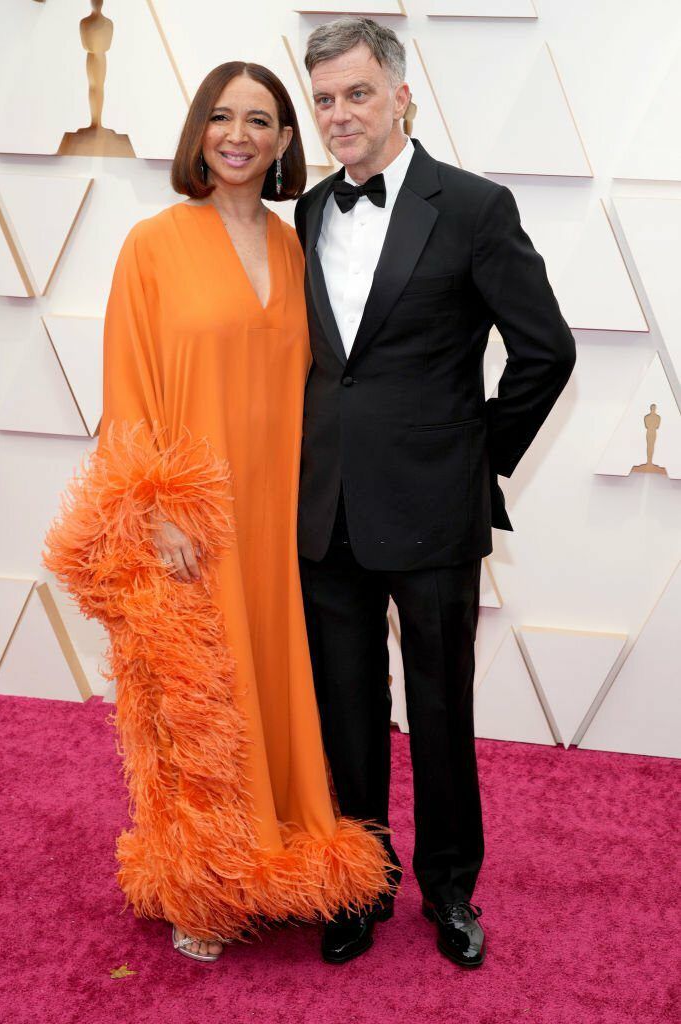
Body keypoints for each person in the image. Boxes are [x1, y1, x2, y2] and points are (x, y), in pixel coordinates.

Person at [42, 60, 395, 964]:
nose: (239, 135)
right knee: (199, 711)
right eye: (223, 117)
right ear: (200, 132)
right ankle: (205, 881)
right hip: (191, 523)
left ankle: (279, 858)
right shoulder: (153, 244)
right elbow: (127, 386)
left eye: (262, 120)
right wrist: (152, 510)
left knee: (279, 691)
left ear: (285, 143)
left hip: (284, 518)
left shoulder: (294, 246)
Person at [294, 18, 577, 967]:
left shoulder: (472, 206)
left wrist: (473, 456)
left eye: (357, 93)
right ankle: (356, 882)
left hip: (432, 507)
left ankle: (449, 889)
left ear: (401, 94)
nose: (339, 114)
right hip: (324, 504)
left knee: (442, 708)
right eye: (325, 98)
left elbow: (545, 351)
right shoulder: (304, 212)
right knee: (344, 708)